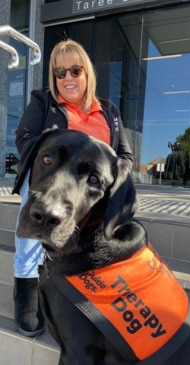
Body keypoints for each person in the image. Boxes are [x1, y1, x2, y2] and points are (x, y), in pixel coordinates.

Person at [13, 39, 134, 337]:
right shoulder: (44, 101)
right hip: (55, 176)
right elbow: (26, 137)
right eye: (59, 72)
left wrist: (101, 171)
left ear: (87, 73)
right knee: (39, 194)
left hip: (89, 187)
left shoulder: (109, 110)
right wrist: (58, 152)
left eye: (74, 70)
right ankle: (26, 285)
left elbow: (126, 156)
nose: (67, 78)